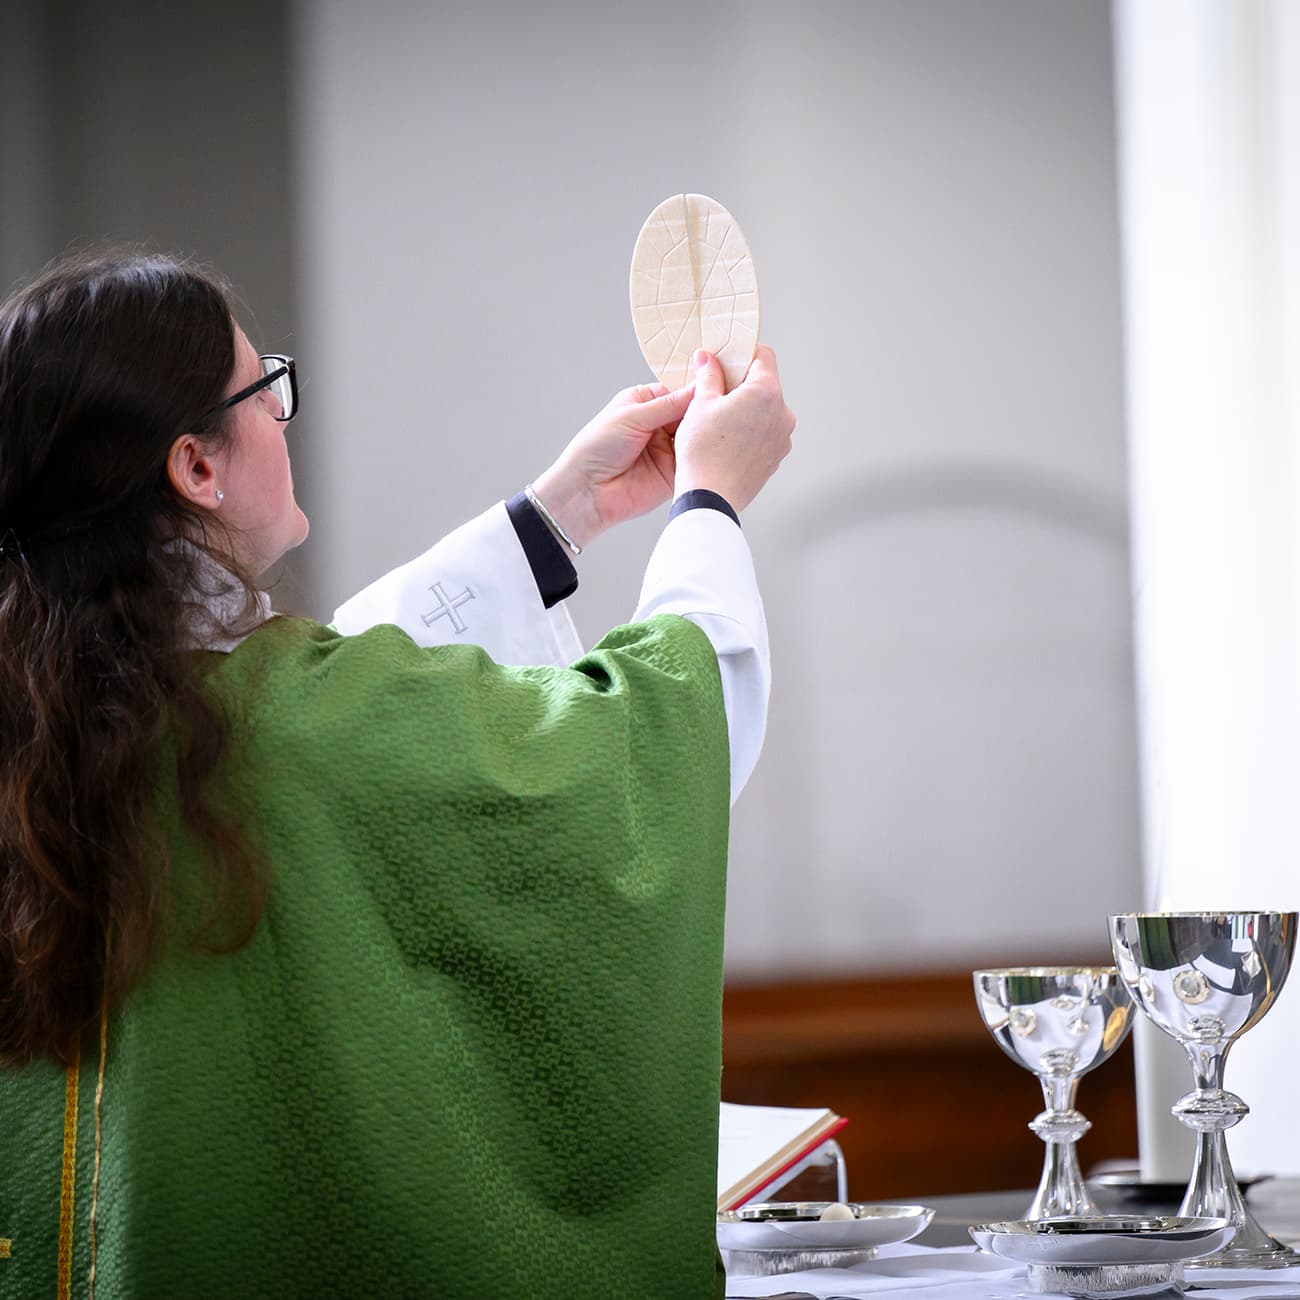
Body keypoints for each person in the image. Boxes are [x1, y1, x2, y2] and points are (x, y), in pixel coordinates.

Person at [0, 249, 793, 1297]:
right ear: (196, 467)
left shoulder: (54, 719)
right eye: (264, 389)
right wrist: (710, 503)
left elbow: (323, 696)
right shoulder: (286, 727)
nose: (284, 415)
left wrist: (559, 514)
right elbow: (652, 746)